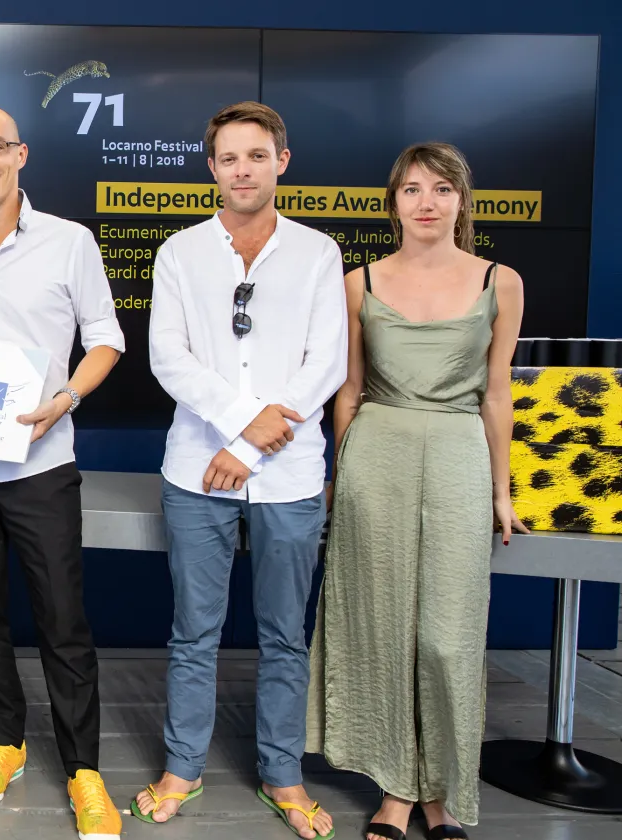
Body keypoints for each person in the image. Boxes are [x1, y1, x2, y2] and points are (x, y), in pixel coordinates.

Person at [306, 143, 527, 840]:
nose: (426, 202)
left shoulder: (501, 280)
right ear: (393, 201)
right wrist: (338, 478)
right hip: (377, 454)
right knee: (379, 629)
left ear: (463, 199)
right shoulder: (358, 283)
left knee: (445, 637)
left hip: (460, 452)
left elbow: (497, 394)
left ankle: (442, 787)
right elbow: (347, 391)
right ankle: (399, 792)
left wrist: (501, 489)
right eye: (411, 189)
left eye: (440, 189)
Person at [140, 101, 345, 840]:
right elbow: (169, 358)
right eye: (229, 158)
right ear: (212, 169)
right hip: (198, 471)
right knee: (195, 632)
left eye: (256, 155)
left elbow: (327, 364)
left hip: (288, 477)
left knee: (285, 634)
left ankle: (282, 775)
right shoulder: (180, 252)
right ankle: (182, 768)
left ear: (281, 161)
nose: (243, 169)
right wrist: (239, 424)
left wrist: (253, 446)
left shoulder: (318, 253)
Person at [0, 105, 125, 840]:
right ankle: (5, 742)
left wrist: (66, 397)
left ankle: (83, 770)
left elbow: (106, 339)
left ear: (21, 154)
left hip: (43, 461)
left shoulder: (70, 242)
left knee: (62, 620)